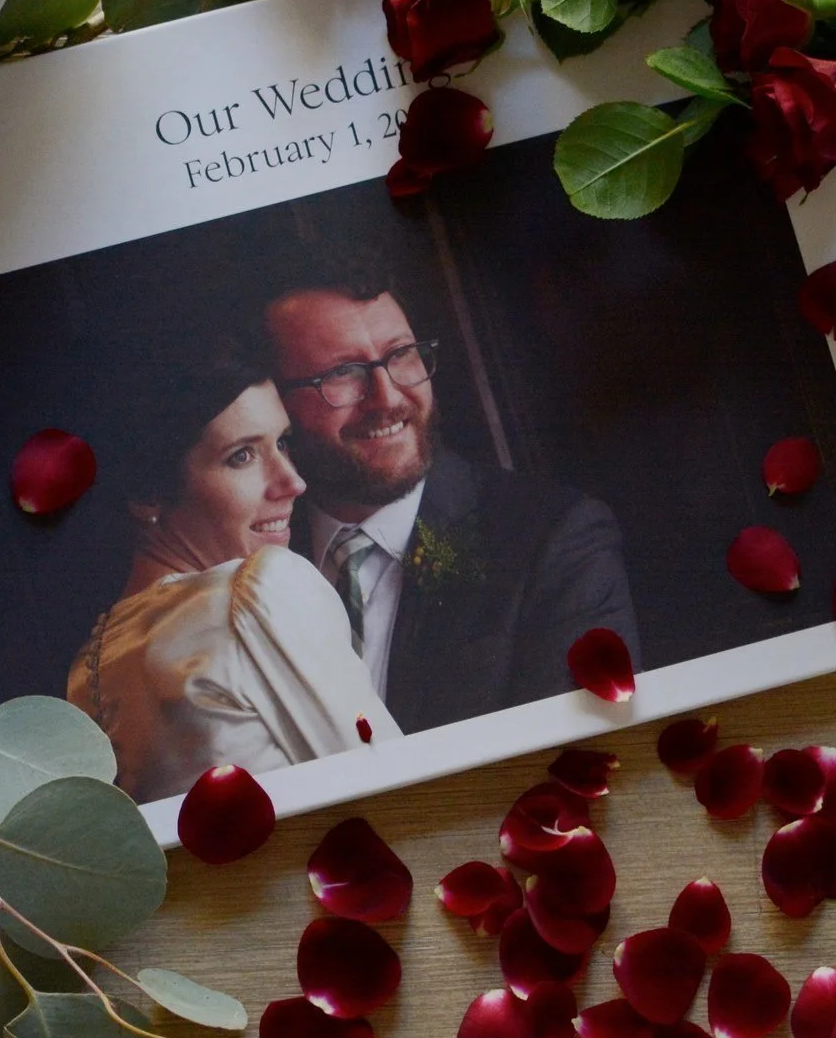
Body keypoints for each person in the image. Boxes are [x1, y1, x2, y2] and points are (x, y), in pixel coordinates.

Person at [263, 249, 640, 731]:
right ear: (275, 404)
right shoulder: (245, 555)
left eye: (400, 355)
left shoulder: (554, 540)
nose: (389, 397)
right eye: (343, 373)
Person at [66, 334, 397, 802]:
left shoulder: (86, 670)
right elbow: (398, 781)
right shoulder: (264, 588)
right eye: (241, 456)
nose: (293, 482)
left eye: (283, 443)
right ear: (148, 496)